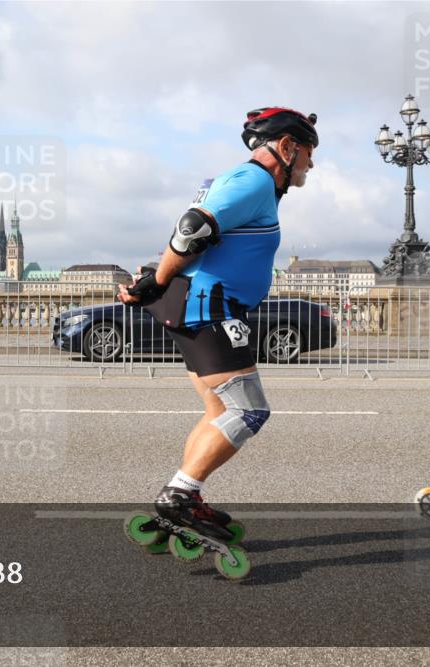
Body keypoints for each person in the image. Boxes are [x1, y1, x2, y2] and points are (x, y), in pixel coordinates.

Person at [117, 107, 319, 538]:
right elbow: (193, 229)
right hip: (210, 307)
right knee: (249, 411)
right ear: (286, 146)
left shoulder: (242, 183)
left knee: (219, 410)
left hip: (201, 304)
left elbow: (200, 235)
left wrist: (156, 280)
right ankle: (179, 497)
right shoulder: (254, 180)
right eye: (308, 152)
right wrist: (159, 278)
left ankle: (183, 496)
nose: (310, 164)